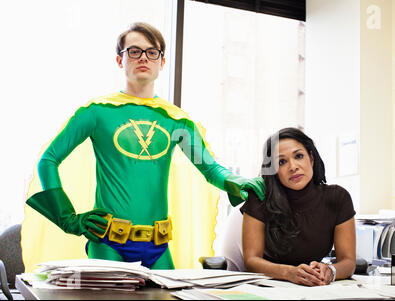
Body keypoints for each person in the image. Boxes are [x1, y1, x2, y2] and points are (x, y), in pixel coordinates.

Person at [25, 22, 265, 270]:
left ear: (161, 63)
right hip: (108, 242)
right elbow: (48, 160)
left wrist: (235, 181)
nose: (143, 58)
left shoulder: (176, 121)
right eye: (134, 51)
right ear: (120, 60)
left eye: (152, 52)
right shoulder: (96, 112)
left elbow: (210, 169)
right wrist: (68, 219)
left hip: (158, 246)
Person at [241, 127, 356, 286]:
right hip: (270, 285)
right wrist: (288, 273)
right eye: (282, 161)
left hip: (314, 288)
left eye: (299, 156)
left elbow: (348, 262)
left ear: (311, 158)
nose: (293, 166)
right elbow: (251, 260)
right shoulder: (260, 197)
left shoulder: (338, 198)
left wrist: (331, 271)